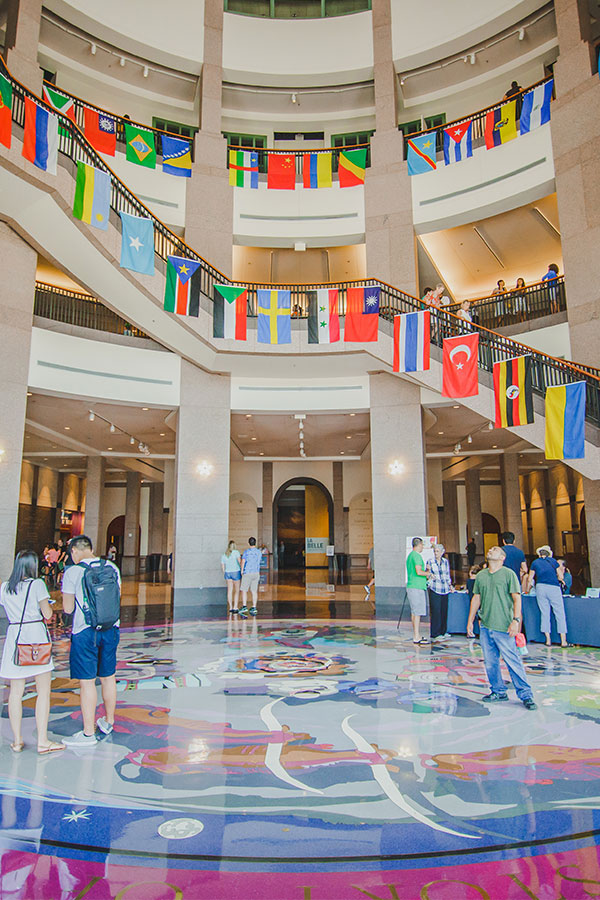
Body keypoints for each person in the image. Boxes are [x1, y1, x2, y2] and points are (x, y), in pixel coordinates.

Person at [0, 551, 65, 754]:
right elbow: (47, 613)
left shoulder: (4, 587)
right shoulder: (37, 584)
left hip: (15, 637)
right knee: (43, 691)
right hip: (35, 637)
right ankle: (43, 741)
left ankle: (18, 740)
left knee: (15, 692)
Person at [61, 534, 121, 746]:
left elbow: (68, 608)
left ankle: (88, 732)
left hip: (85, 632)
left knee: (87, 682)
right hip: (111, 628)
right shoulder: (112, 568)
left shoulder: (73, 572)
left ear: (75, 551)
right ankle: (109, 721)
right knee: (108, 677)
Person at [467, 546, 537, 709]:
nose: (490, 550)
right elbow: (476, 599)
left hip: (504, 626)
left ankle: (525, 694)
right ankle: (498, 691)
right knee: (490, 662)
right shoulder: (482, 576)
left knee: (512, 660)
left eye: (495, 550)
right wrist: (470, 620)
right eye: (490, 549)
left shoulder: (508, 574)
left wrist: (516, 620)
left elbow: (517, 599)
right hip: (485, 626)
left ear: (502, 558)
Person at [527, 545, 569, 648]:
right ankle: (563, 640)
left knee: (544, 612)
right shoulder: (553, 561)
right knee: (559, 612)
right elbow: (561, 576)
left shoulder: (535, 562)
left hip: (540, 587)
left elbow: (530, 578)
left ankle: (548, 640)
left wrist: (527, 590)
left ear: (539, 554)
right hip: (553, 587)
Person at [427, 543, 455, 642]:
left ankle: (443, 631)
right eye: (435, 551)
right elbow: (429, 574)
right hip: (435, 588)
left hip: (444, 588)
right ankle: (435, 632)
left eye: (438, 551)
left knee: (444, 610)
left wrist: (450, 585)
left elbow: (447, 575)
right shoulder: (430, 562)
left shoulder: (445, 562)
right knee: (436, 611)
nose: (436, 553)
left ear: (442, 552)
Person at [406, 537, 430, 644]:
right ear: (419, 544)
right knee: (417, 612)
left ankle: (417, 634)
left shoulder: (410, 555)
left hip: (412, 585)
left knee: (414, 612)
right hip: (417, 586)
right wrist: (429, 574)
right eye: (422, 545)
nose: (423, 547)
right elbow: (419, 571)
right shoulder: (417, 556)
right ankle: (416, 636)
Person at [240, 537, 263, 618]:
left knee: (244, 590)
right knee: (254, 591)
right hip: (256, 572)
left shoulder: (246, 552)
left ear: (249, 543)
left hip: (247, 572)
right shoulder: (259, 552)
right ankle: (254, 607)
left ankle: (244, 606)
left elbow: (243, 562)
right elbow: (259, 561)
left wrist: (242, 570)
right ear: (255, 543)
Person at [221, 540, 242, 614]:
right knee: (236, 590)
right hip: (236, 572)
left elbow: (223, 566)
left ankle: (230, 607)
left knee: (229, 590)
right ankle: (235, 607)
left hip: (228, 573)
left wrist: (225, 573)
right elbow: (239, 562)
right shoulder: (236, 552)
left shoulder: (224, 554)